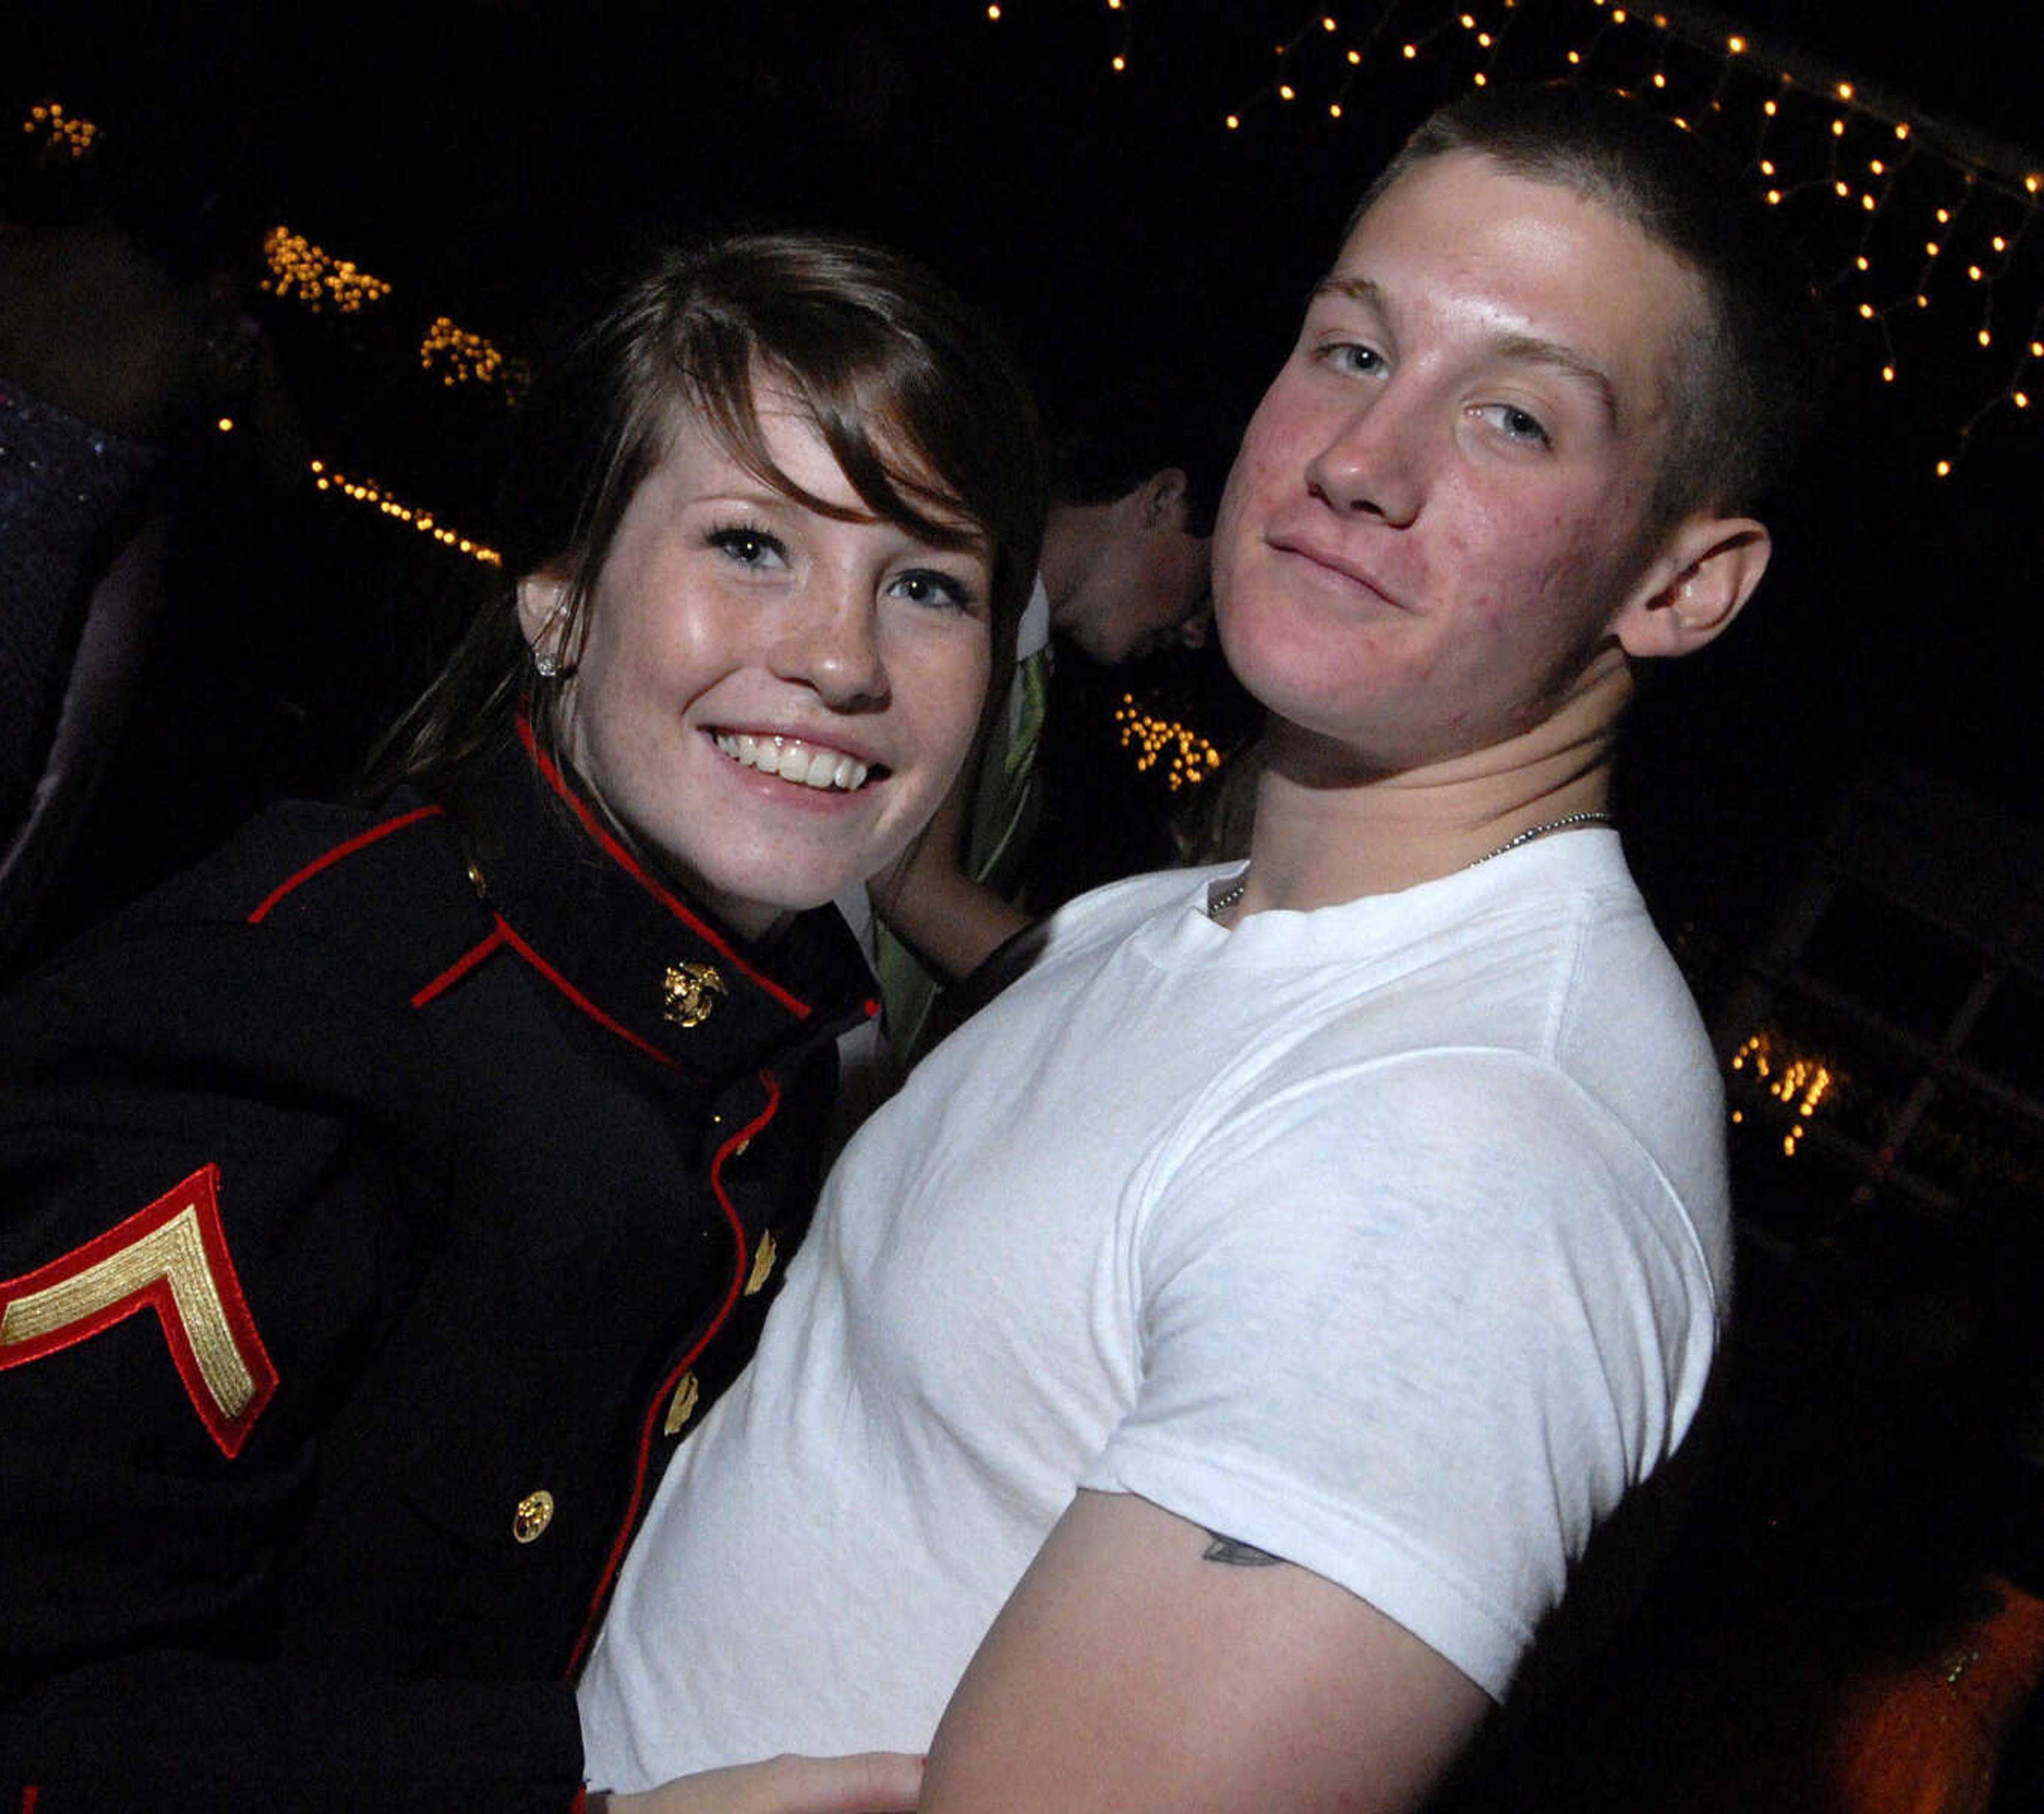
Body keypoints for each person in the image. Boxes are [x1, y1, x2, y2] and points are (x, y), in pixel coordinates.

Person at [578, 84, 1828, 1812]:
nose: (1359, 462)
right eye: (1349, 348)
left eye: (1518, 421)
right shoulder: (1153, 923)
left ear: (1683, 585)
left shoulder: (1480, 1150)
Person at [0, 228, 1044, 1812]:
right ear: (558, 599)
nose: (841, 658)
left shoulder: (738, 1068)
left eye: (925, 584)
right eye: (750, 545)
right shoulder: (285, 1034)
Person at [863, 384, 1223, 1061]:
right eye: (1206, 586)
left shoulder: (1028, 651)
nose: (1199, 631)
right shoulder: (981, 605)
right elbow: (907, 880)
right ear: (1162, 500)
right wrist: (1144, 1016)